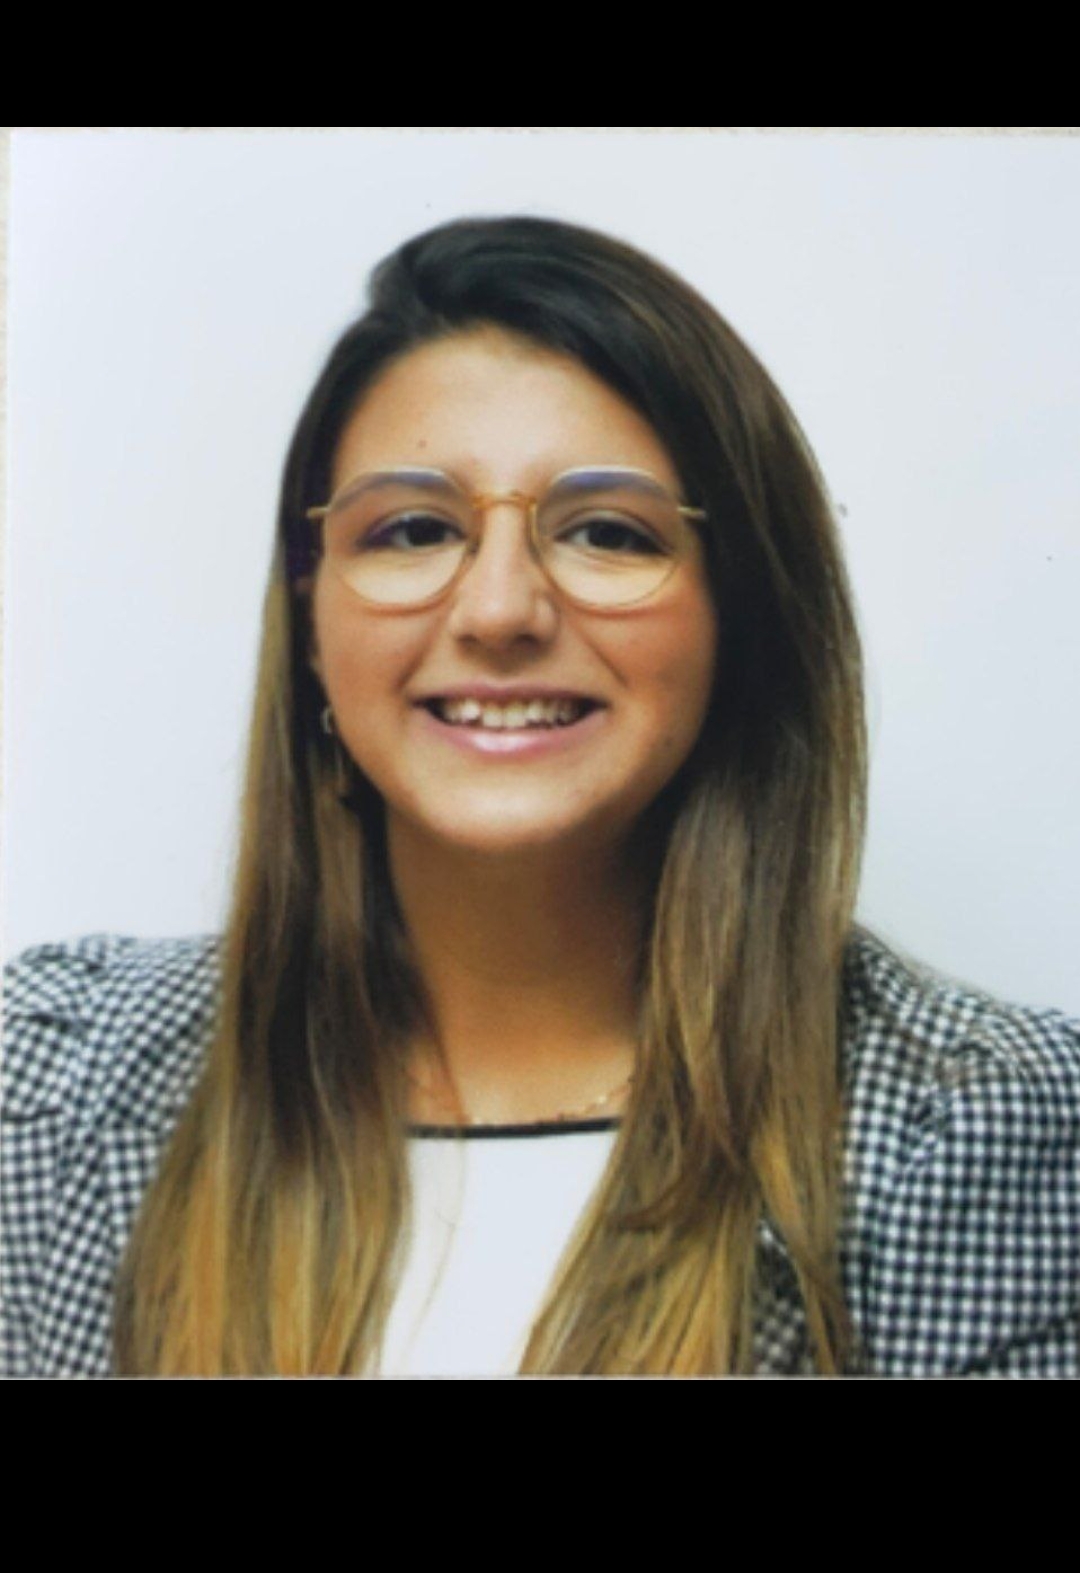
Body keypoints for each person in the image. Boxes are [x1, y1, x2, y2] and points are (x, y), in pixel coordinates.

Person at [2, 214, 1077, 1376]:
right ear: (312, 624)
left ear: (741, 616)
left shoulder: (979, 1132)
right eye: (414, 529)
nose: (500, 610)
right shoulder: (58, 1083)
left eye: (608, 533)